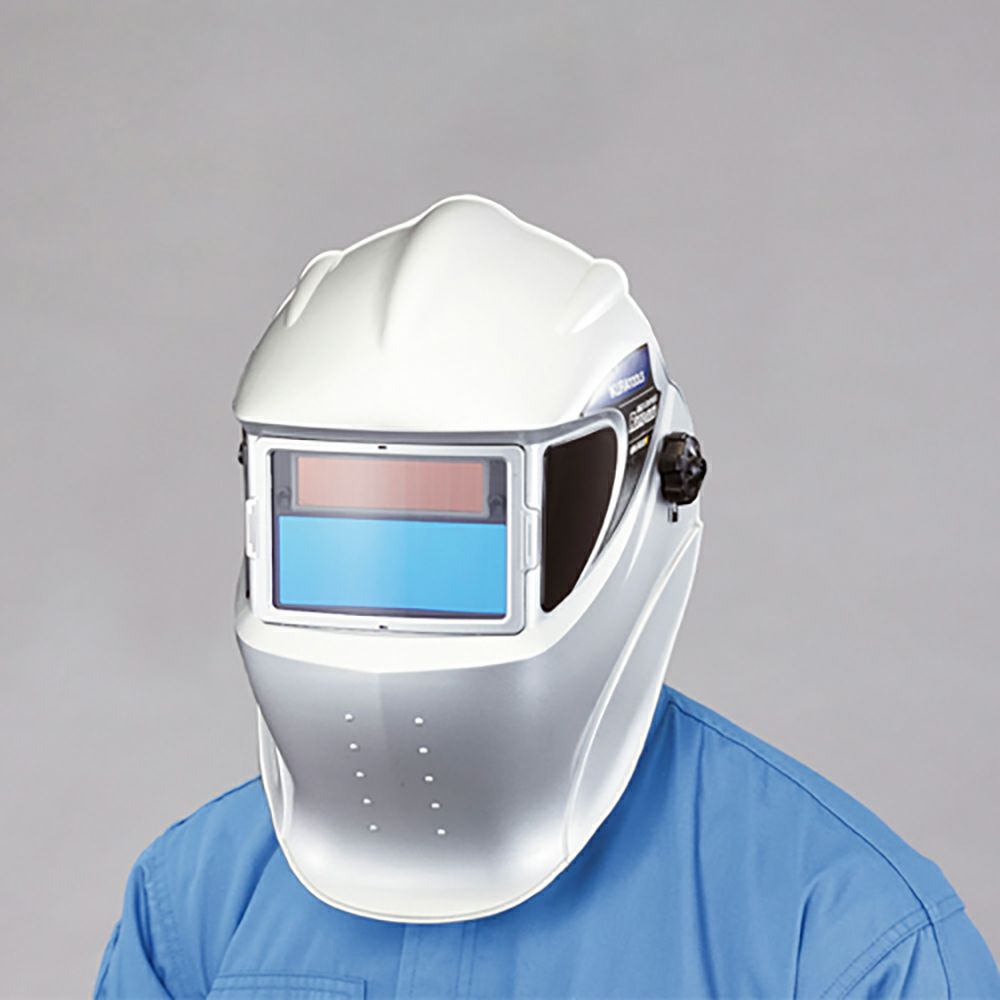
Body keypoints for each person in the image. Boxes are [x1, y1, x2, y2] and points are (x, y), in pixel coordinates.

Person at [96, 196, 999, 999]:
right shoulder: (194, 907)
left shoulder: (845, 941)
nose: (389, 627)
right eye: (342, 530)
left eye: (451, 535)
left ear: (651, 489)